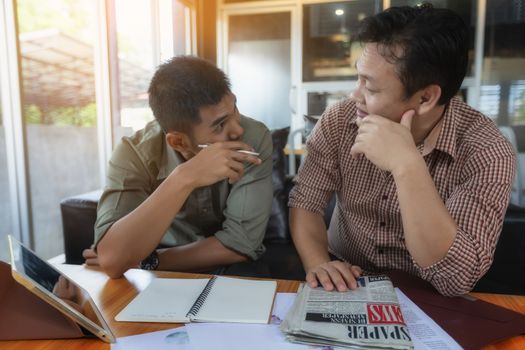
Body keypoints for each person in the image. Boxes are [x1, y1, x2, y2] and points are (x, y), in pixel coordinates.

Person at [288, 4, 516, 297]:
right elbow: (306, 201)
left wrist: (407, 165)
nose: (354, 95)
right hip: (346, 278)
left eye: (370, 88)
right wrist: (319, 263)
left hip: (432, 294)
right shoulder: (340, 119)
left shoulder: (487, 151)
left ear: (424, 98)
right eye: (359, 78)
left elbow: (456, 279)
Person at [83, 56, 273, 279]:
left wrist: (149, 261)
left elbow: (241, 244)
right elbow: (113, 260)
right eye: (220, 125)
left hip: (233, 272)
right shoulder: (135, 153)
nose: (237, 130)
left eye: (235, 109)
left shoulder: (254, 137)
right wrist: (185, 177)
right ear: (178, 142)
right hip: (160, 281)